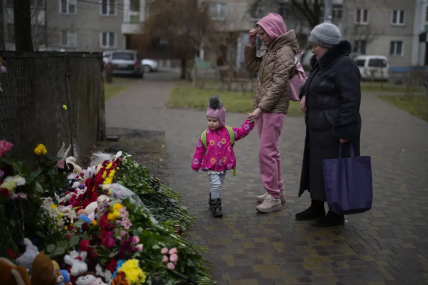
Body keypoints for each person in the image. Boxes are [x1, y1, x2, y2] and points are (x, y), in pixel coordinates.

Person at [296, 23, 362, 227]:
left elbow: (352, 99)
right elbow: (310, 82)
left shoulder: (344, 65)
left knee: (335, 171)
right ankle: (317, 206)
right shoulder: (321, 63)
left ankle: (337, 213)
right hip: (317, 130)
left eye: (316, 45)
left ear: (327, 45)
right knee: (317, 169)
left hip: (334, 131)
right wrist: (305, 94)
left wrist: (345, 129)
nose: (312, 48)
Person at [245, 13, 299, 213]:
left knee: (266, 152)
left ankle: (273, 197)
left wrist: (260, 108)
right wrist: (251, 45)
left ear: (273, 30)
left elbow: (278, 85)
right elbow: (252, 67)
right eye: (258, 34)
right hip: (266, 106)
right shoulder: (271, 49)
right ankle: (278, 191)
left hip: (273, 108)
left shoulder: (284, 51)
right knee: (272, 151)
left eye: (262, 33)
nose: (260, 37)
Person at [191, 96, 255, 218]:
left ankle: (212, 197)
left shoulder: (229, 132)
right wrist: (196, 164)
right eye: (209, 120)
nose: (211, 123)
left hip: (223, 166)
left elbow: (242, 131)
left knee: (218, 184)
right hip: (211, 166)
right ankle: (216, 205)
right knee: (216, 185)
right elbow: (199, 150)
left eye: (214, 121)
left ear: (221, 120)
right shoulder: (205, 135)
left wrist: (250, 121)